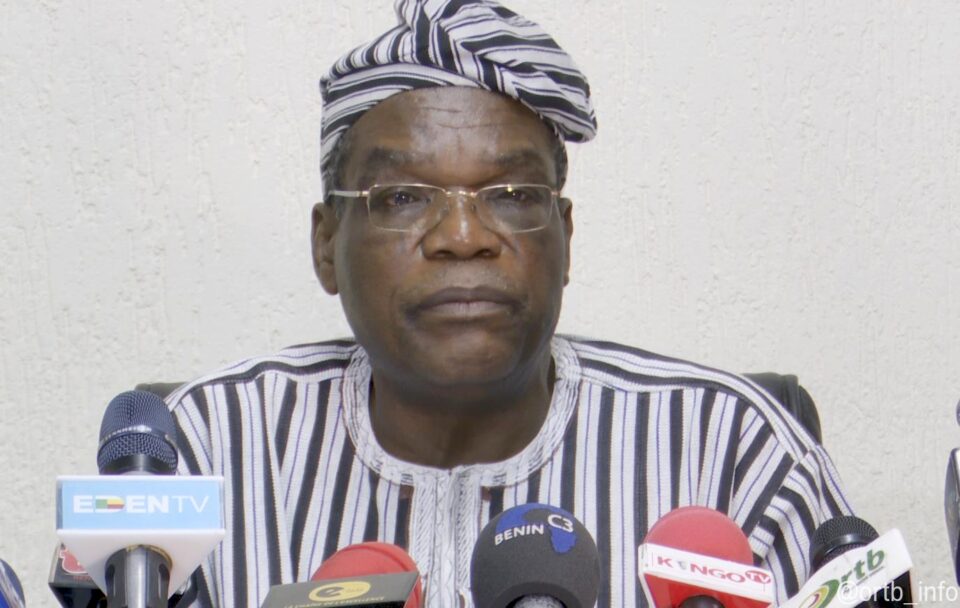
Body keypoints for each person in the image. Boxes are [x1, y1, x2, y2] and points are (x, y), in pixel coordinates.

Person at [169, 1, 852, 606]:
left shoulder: (731, 455)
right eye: (403, 197)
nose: (463, 237)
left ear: (565, 238)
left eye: (513, 196)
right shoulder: (204, 453)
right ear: (326, 244)